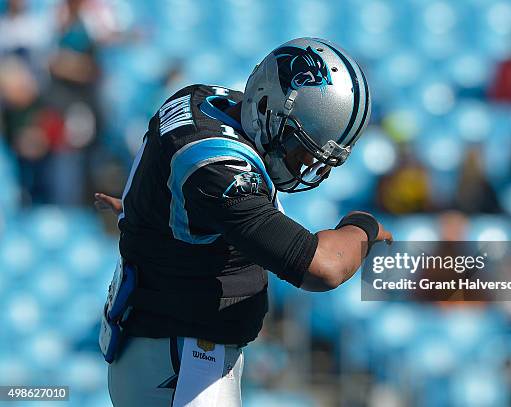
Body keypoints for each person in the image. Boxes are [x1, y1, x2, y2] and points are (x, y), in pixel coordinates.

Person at [95, 37, 392, 406]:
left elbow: (171, 185)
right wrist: (363, 225)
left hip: (170, 353)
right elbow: (325, 268)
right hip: (182, 364)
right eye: (300, 147)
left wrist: (145, 211)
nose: (304, 165)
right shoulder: (218, 168)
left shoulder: (202, 100)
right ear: (266, 105)